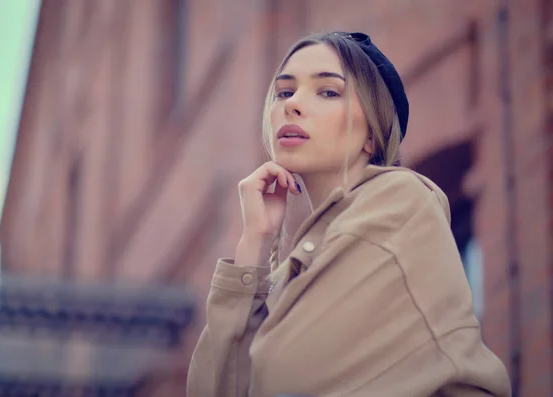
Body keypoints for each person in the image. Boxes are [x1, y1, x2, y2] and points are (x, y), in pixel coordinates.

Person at [186, 32, 511, 397]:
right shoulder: (290, 270)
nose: (292, 105)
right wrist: (253, 246)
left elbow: (287, 372)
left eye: (328, 91)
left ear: (371, 133)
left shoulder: (399, 201)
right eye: (284, 92)